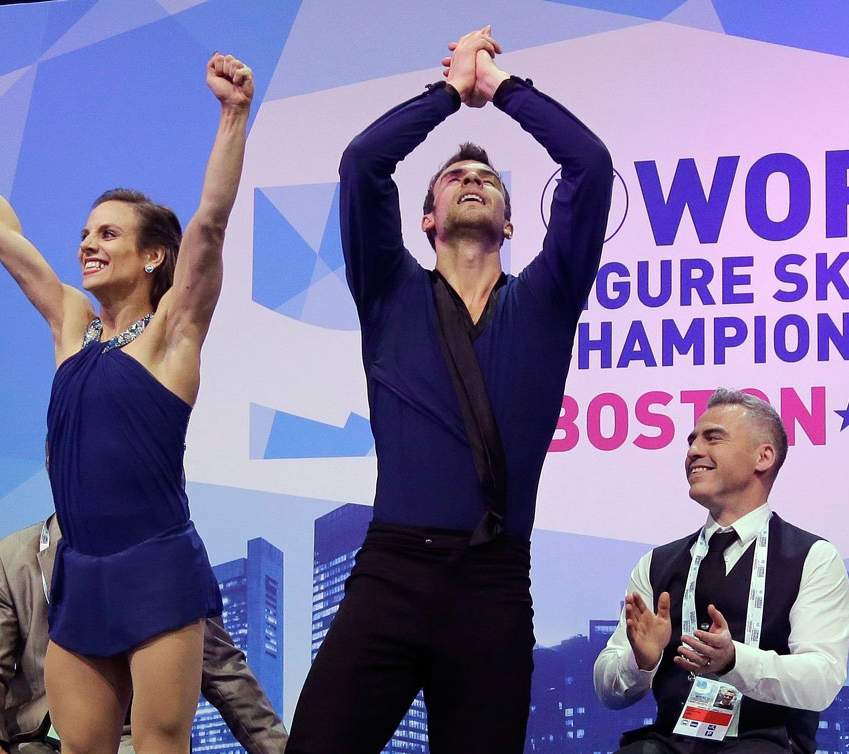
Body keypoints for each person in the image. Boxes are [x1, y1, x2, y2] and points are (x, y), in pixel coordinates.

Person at [285, 25, 613, 754]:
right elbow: (364, 163)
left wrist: (499, 89)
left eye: (488, 180)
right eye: (454, 178)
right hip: (392, 574)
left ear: (511, 222)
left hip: (493, 586)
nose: (473, 180)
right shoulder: (389, 291)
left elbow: (589, 164)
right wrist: (449, 94)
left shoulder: (547, 300)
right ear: (427, 219)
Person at [0, 52, 255, 754]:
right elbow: (3, 235)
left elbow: (212, 224)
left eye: (107, 234)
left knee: (159, 746)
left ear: (153, 256)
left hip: (157, 567)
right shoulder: (72, 324)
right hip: (81, 574)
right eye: (84, 233)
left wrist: (233, 114)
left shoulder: (171, 334)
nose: (87, 245)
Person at [593, 389, 849, 754]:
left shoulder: (813, 558)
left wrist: (734, 661)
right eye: (692, 440)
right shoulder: (655, 564)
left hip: (766, 743)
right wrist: (640, 661)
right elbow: (608, 692)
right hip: (672, 744)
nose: (693, 451)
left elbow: (822, 680)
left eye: (713, 438)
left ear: (763, 457)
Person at [0, 515, 289, 754]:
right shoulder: (8, 559)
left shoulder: (167, 557)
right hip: (34, 741)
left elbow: (223, 668)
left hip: (130, 738)